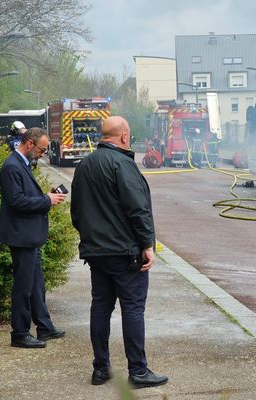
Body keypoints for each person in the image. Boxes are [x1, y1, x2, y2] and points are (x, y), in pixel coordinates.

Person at [70, 116, 168, 388]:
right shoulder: (123, 165)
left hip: (96, 252)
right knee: (133, 309)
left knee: (100, 307)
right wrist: (147, 245)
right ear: (124, 136)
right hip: (125, 253)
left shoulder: (85, 165)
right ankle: (138, 371)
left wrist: (91, 240)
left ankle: (100, 369)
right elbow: (138, 209)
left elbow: (76, 213)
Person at [0, 127, 67, 349]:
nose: (42, 154)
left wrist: (46, 194)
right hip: (21, 237)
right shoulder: (11, 167)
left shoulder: (21, 164)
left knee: (37, 285)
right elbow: (16, 202)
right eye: (41, 149)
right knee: (24, 287)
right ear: (29, 144)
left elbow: (24, 196)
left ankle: (44, 327)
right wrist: (46, 201)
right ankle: (19, 333)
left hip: (28, 236)